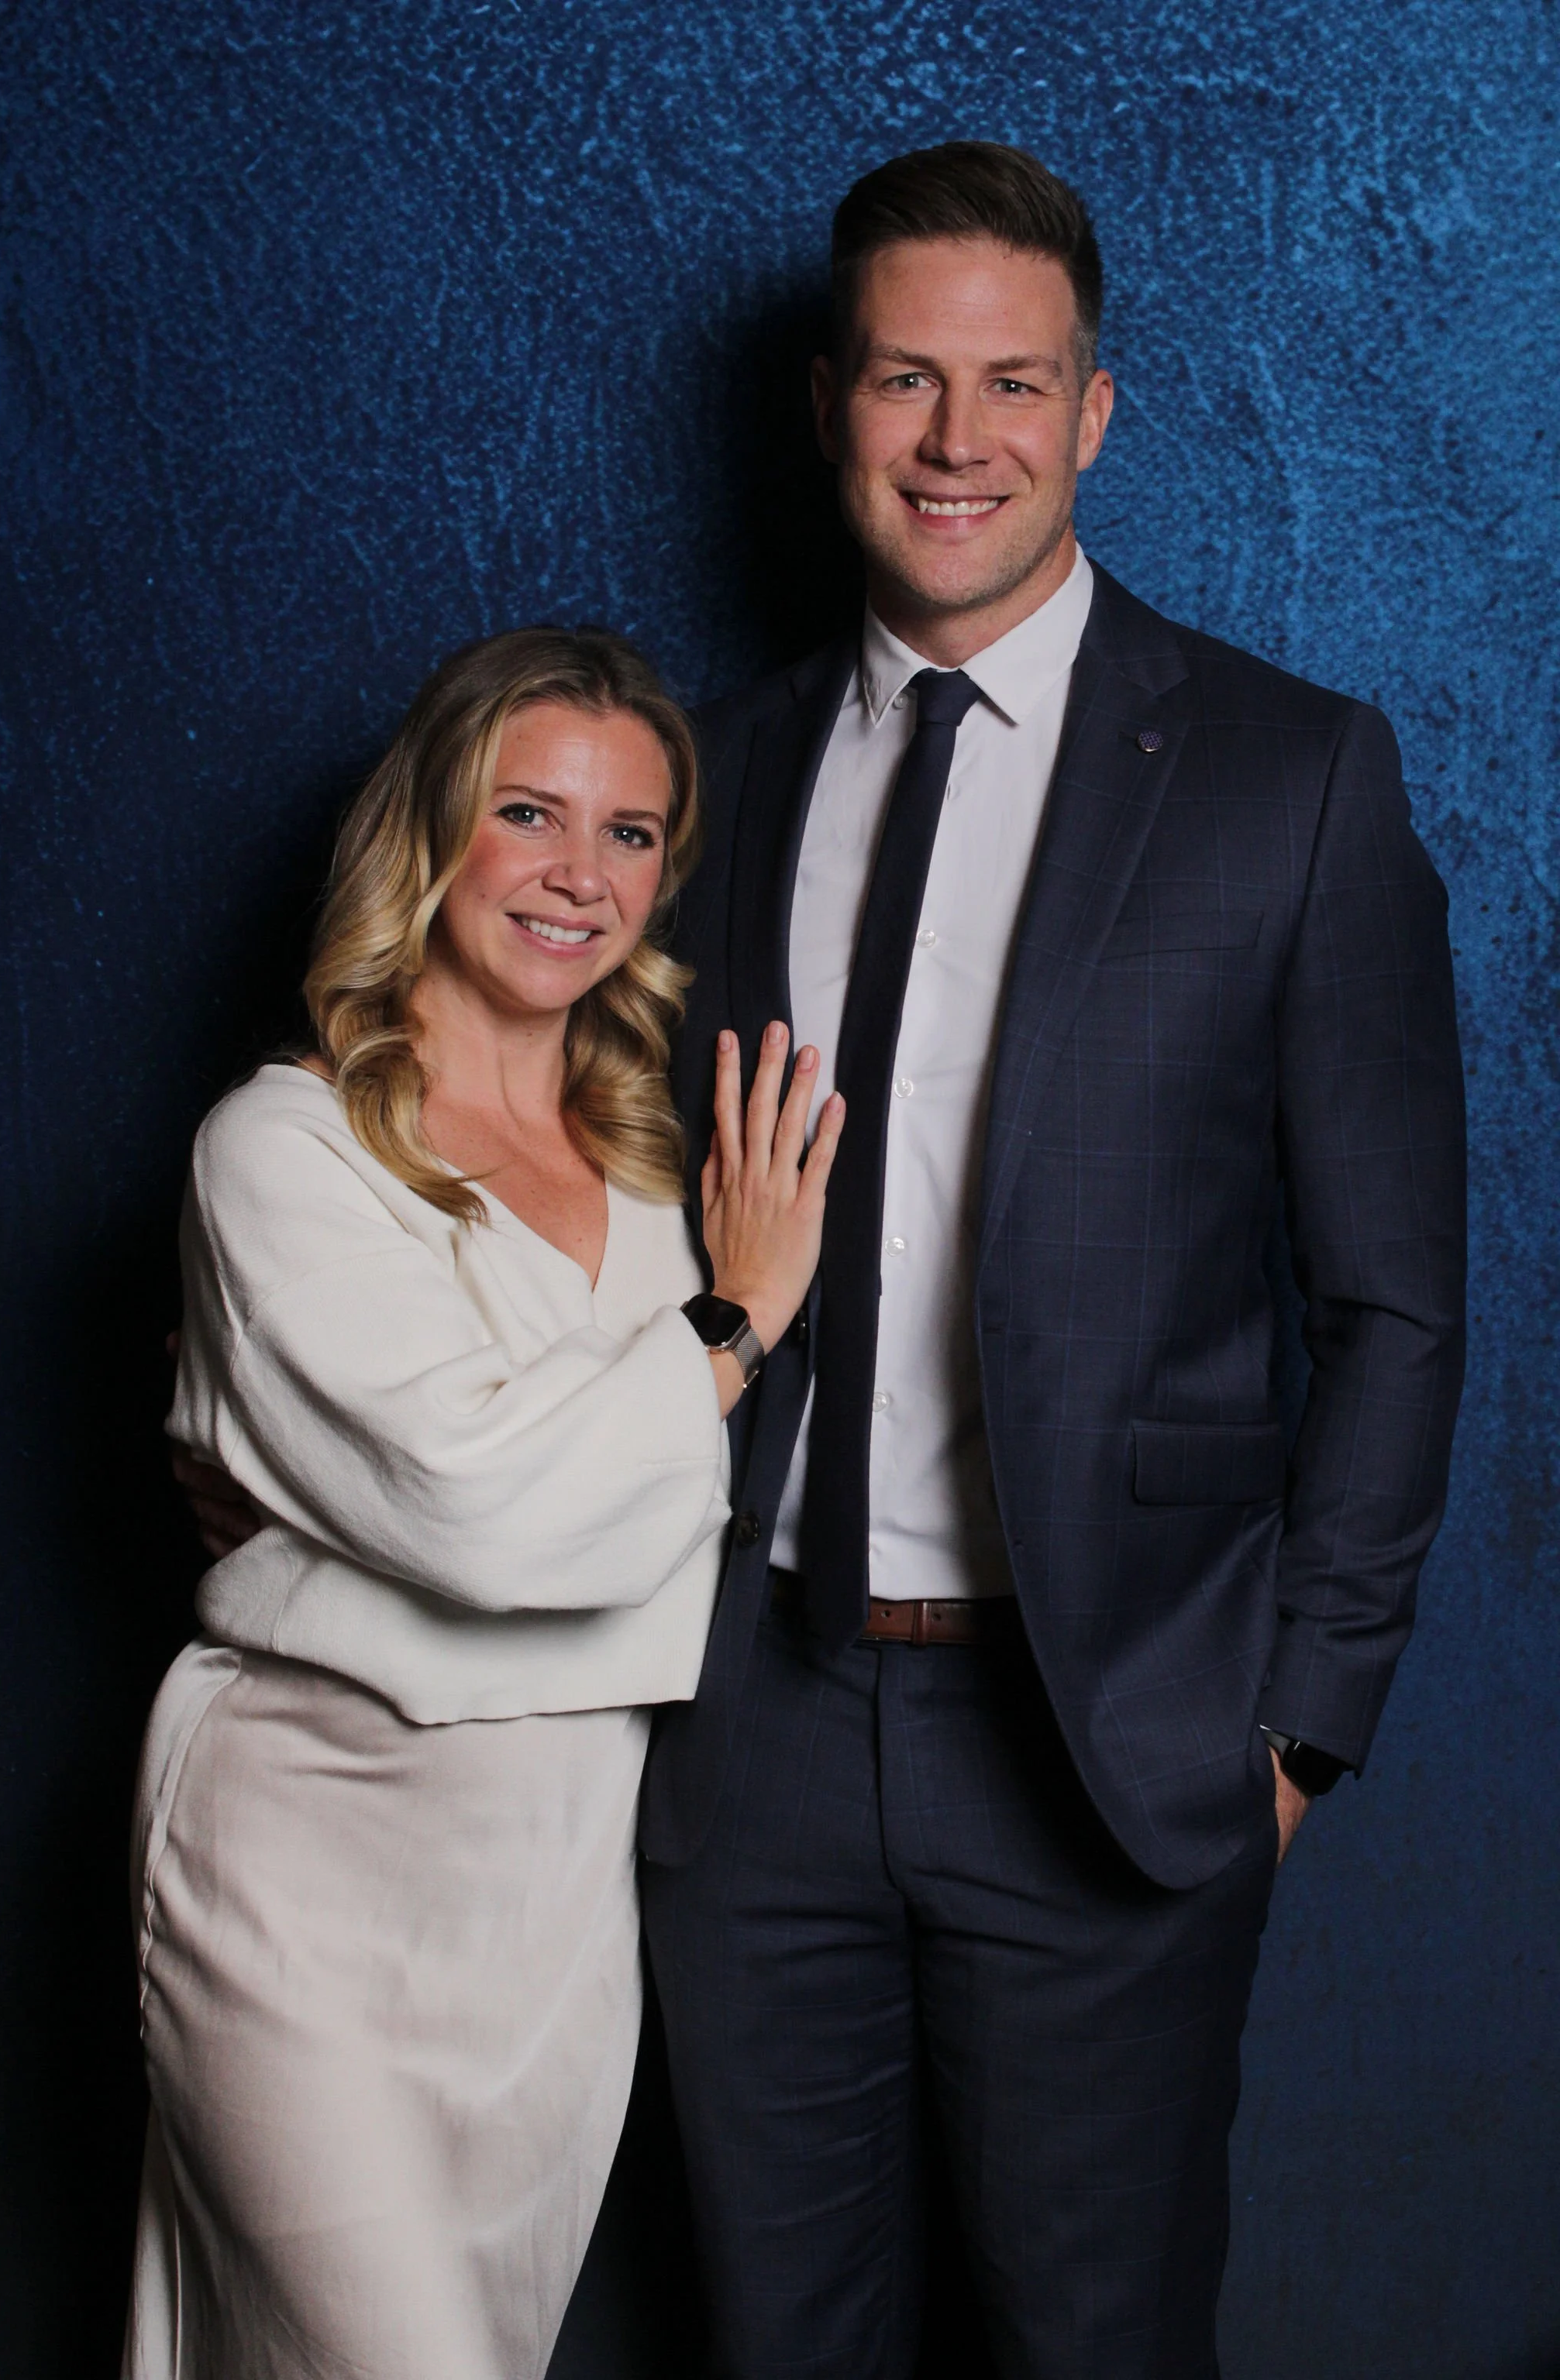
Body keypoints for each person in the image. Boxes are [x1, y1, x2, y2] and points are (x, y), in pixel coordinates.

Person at [635, 142, 1466, 2379]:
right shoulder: (703, 780)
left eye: (1012, 383)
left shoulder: (1293, 778)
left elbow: (1394, 1305)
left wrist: (1295, 1731)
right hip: (746, 1728)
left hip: (1105, 1747)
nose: (957, 439)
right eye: (904, 377)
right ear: (830, 403)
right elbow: (561, 1169)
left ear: (1094, 412)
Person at [126, 625, 841, 2380]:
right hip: (309, 1863)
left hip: (560, 1895)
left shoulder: (676, 1173)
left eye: (627, 832)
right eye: (528, 812)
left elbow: (692, 1513)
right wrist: (735, 1326)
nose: (577, 873)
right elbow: (478, 1511)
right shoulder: (286, 1147)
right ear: (433, 829)